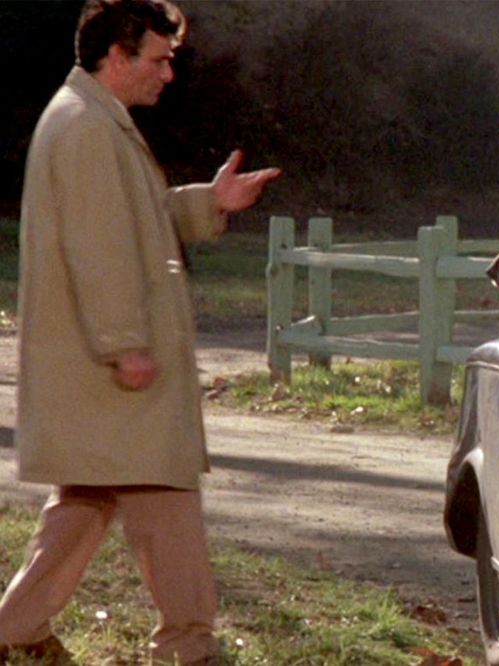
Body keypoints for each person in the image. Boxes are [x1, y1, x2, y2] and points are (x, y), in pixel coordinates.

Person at [1, 0, 280, 662]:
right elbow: (99, 248)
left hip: (92, 365)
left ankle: (15, 632)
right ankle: (190, 646)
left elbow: (132, 217)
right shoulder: (86, 129)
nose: (168, 73)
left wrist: (209, 202)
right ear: (117, 56)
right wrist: (125, 343)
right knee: (165, 494)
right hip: (108, 365)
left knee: (87, 499)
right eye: (159, 59)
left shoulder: (91, 119)